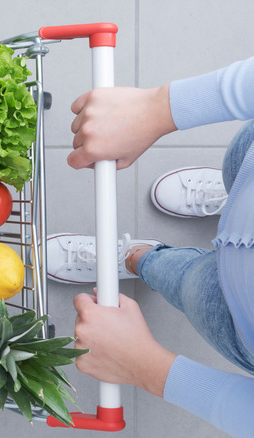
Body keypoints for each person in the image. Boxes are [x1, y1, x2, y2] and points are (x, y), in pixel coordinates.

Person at [46, 56, 254, 438]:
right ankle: (233, 197)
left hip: (242, 314)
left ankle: (137, 256)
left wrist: (145, 366)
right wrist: (158, 107)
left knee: (187, 281)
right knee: (238, 163)